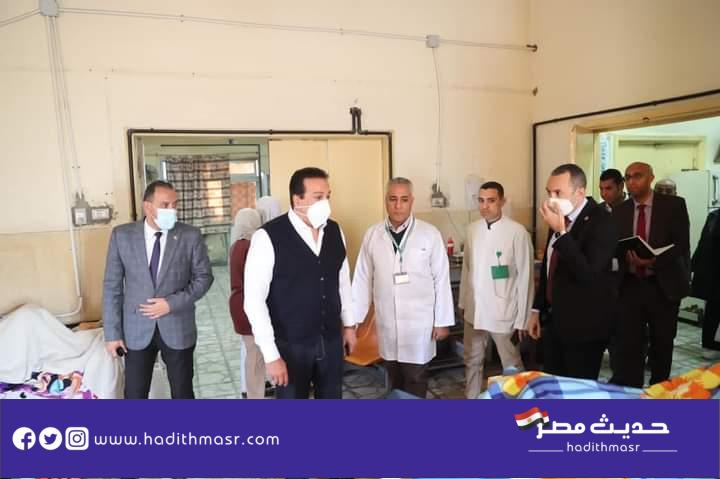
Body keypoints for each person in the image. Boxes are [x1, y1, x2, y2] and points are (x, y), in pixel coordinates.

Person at [243, 167, 357, 399]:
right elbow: (254, 301)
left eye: (327, 197)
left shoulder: (335, 231)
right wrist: (271, 356)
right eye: (318, 197)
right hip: (290, 345)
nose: (326, 203)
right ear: (297, 199)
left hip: (330, 339)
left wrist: (349, 325)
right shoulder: (267, 237)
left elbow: (342, 282)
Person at [103, 180, 214, 399]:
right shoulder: (122, 236)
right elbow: (112, 286)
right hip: (136, 329)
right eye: (165, 205)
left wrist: (171, 304)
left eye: (175, 204)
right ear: (148, 206)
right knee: (135, 394)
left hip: (177, 326)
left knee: (182, 393)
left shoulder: (189, 235)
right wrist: (112, 334)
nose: (172, 210)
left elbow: (204, 278)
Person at [352, 177, 453, 398]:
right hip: (387, 321)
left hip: (420, 323)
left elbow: (441, 279)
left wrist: (442, 321)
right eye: (393, 199)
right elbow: (362, 278)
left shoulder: (429, 234)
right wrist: (356, 320)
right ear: (385, 201)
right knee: (393, 376)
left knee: (416, 377)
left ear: (412, 201)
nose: (398, 205)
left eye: (404, 199)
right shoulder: (373, 235)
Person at [527, 164, 618, 380]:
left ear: (580, 192)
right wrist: (537, 309)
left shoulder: (602, 221)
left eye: (558, 193)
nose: (551, 199)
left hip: (585, 326)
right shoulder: (559, 218)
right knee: (554, 385)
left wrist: (561, 232)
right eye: (549, 192)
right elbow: (550, 267)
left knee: (578, 389)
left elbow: (588, 274)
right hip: (555, 321)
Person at [613, 162, 690, 387]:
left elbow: (682, 244)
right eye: (628, 177)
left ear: (651, 178)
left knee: (662, 342)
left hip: (662, 285)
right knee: (630, 344)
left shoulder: (673, 205)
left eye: (637, 176)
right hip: (630, 285)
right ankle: (633, 389)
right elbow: (614, 244)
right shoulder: (620, 210)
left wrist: (654, 261)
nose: (631, 181)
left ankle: (660, 389)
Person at [459, 181, 533, 398]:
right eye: (481, 201)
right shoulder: (472, 229)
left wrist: (523, 318)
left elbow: (525, 277)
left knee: (511, 365)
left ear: (502, 201)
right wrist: (463, 302)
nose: (485, 206)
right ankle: (472, 400)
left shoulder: (517, 232)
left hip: (503, 310)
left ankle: (518, 405)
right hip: (475, 309)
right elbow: (467, 269)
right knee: (472, 360)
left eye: (491, 201)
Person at [229, 208, 265, 399]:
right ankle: (255, 395)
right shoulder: (249, 246)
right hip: (248, 305)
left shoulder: (237, 244)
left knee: (254, 352)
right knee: (255, 355)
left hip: (239, 304)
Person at [691, 209, 720, 360]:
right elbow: (703, 243)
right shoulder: (714, 216)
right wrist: (692, 267)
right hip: (714, 272)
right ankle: (710, 344)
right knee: (713, 308)